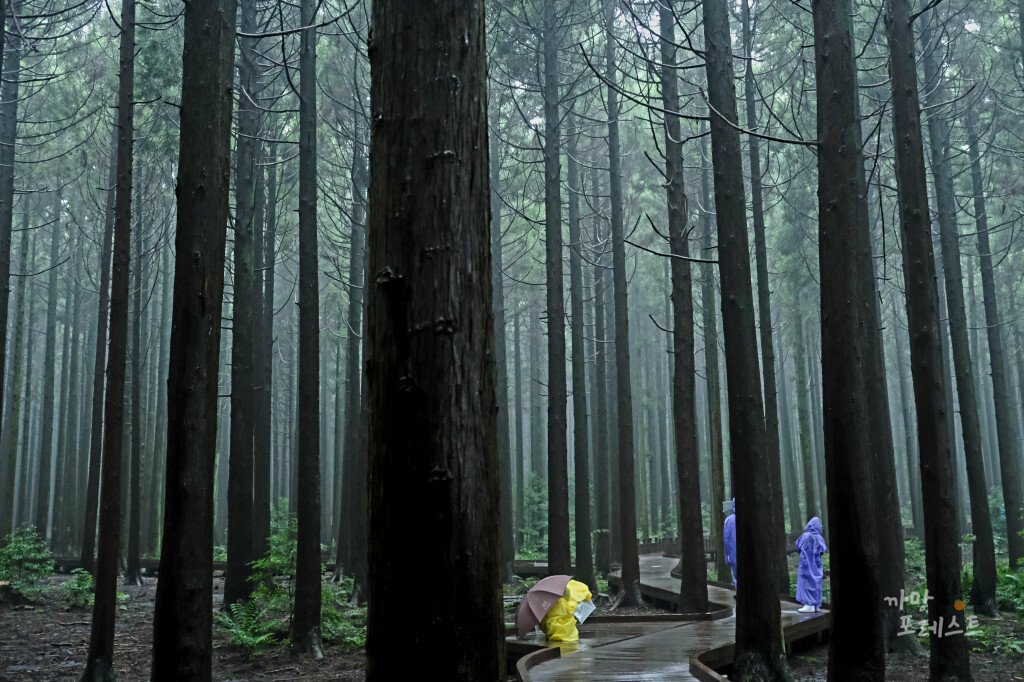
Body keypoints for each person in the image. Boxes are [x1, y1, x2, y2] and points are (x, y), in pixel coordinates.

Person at [796, 516, 827, 612]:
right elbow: (822, 550)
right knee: (816, 583)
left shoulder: (805, 536)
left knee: (806, 583)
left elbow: (797, 545)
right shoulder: (820, 538)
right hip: (817, 564)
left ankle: (809, 605)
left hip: (806, 564)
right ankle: (816, 605)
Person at [724, 498, 736, 589]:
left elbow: (726, 539)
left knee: (736, 577)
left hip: (733, 554)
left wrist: (726, 555)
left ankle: (738, 593)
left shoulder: (728, 520)